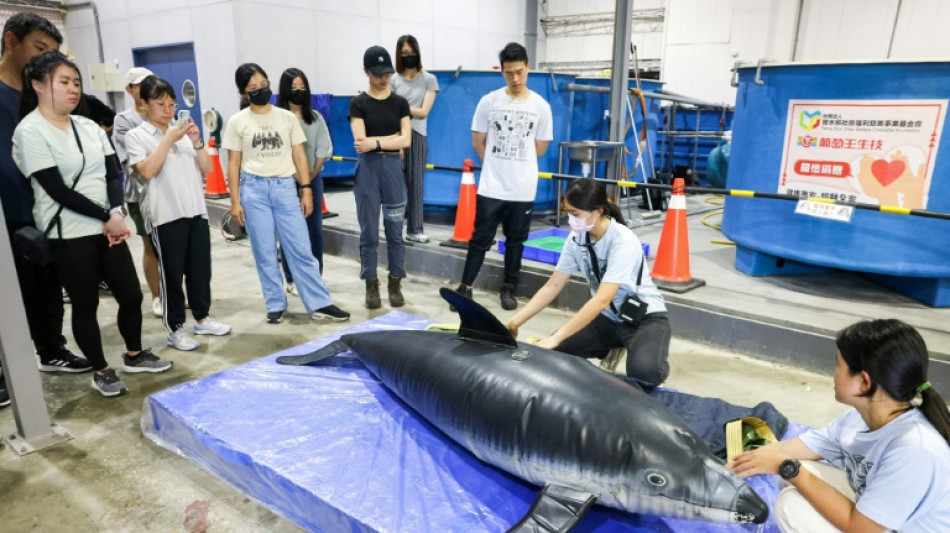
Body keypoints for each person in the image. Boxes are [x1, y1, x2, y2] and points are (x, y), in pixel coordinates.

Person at [13, 51, 172, 397]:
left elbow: (112, 172)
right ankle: (101, 370)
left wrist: (115, 211)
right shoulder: (30, 131)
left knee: (130, 295)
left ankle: (134, 354)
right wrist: (107, 217)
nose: (73, 89)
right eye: (64, 82)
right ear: (39, 86)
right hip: (68, 233)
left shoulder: (87, 126)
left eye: (76, 83)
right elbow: (55, 190)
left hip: (107, 227)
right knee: (85, 305)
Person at [729, 319, 950, 532]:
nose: (834, 373)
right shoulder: (860, 418)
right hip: (885, 517)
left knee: (791, 507)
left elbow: (862, 528)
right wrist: (732, 468)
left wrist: (787, 468)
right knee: (795, 471)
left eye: (839, 365)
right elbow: (788, 450)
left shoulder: (915, 450)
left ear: (864, 382)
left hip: (877, 527)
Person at [505, 178, 671, 386]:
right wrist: (515, 322)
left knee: (645, 373)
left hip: (643, 317)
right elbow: (553, 285)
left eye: (576, 214)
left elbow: (601, 299)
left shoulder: (623, 241)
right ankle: (610, 347)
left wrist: (557, 336)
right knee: (549, 355)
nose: (571, 219)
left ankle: (653, 359)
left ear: (598, 211)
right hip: (608, 319)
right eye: (568, 212)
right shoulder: (576, 238)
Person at [0, 13, 90, 379]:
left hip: (47, 211)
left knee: (47, 288)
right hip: (7, 212)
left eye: (54, 53)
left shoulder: (43, 97)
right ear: (10, 42)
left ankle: (51, 350)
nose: (47, 60)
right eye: (39, 49)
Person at [223, 63, 349, 324]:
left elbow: (299, 156)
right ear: (242, 93)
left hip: (284, 189)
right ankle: (275, 303)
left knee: (301, 248)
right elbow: (233, 164)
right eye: (253, 88)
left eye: (263, 85)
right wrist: (235, 202)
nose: (260, 91)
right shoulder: (238, 122)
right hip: (254, 190)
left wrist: (306, 190)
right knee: (265, 250)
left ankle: (319, 303)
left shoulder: (286, 118)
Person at [126, 75, 232, 351]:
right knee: (171, 275)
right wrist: (167, 139)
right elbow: (147, 171)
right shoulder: (136, 136)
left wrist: (196, 141)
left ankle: (202, 318)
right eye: (160, 103)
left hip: (195, 211)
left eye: (171, 104)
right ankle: (175, 329)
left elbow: (207, 169)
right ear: (144, 104)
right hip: (165, 215)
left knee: (199, 271)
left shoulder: (182, 134)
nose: (167, 110)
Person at [454, 42, 553, 311]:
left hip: (523, 188)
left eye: (520, 72)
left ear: (528, 68)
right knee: (480, 239)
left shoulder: (541, 106)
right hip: (491, 187)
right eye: (509, 73)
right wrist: (496, 165)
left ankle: (508, 289)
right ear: (502, 72)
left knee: (516, 241)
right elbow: (478, 142)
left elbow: (541, 147)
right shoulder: (489, 102)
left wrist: (517, 163)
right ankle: (465, 287)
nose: (516, 79)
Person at [349, 45, 411, 309]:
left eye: (387, 73)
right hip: (369, 172)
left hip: (393, 172)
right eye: (378, 74)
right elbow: (358, 141)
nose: (384, 78)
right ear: (366, 72)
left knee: (395, 231)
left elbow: (406, 139)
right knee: (369, 232)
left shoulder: (400, 103)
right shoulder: (358, 103)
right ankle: (371, 283)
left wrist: (375, 143)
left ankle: (395, 281)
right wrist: (389, 142)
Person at [274, 67, 330, 295]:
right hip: (285, 181)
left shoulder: (314, 118)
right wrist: (296, 177)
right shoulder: (277, 119)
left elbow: (322, 150)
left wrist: (308, 177)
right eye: (293, 87)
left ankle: (315, 275)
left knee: (314, 229)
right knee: (289, 231)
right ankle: (292, 279)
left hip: (313, 181)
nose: (298, 91)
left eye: (302, 87)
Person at [113, 66, 163, 317]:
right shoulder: (124, 120)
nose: (146, 87)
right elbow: (134, 161)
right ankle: (157, 296)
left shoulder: (164, 112)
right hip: (140, 194)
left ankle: (174, 293)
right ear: (129, 90)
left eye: (150, 82)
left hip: (168, 190)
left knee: (173, 247)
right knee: (151, 244)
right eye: (140, 84)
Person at [390, 34, 438, 244]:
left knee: (416, 183)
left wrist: (400, 109)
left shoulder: (429, 79)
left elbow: (424, 111)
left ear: (417, 53)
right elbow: (388, 110)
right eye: (404, 54)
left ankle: (415, 230)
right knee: (395, 186)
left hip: (417, 135)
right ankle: (393, 229)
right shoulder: (393, 80)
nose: (408, 56)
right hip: (396, 135)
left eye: (411, 53)